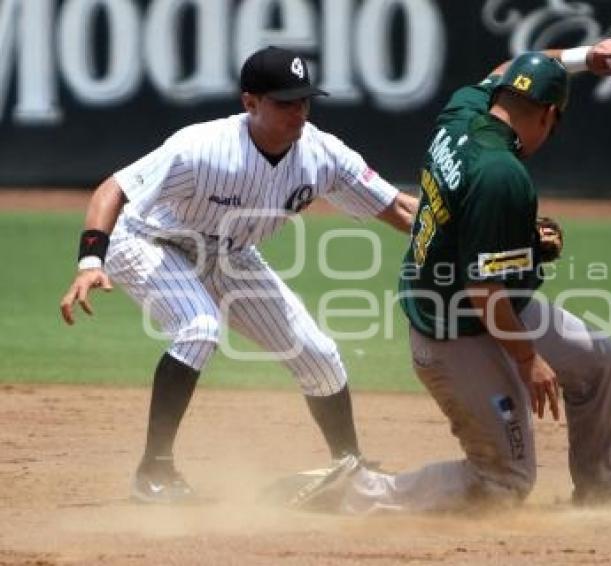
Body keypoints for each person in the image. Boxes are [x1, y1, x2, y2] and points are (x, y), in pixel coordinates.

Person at [288, 39, 611, 513]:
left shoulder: (464, 109)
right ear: (548, 116)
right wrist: (527, 358)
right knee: (504, 482)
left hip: (469, 302)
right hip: (454, 331)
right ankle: (355, 493)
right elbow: (485, 292)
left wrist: (584, 58)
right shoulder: (502, 175)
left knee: (599, 360)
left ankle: (602, 483)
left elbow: (507, 67)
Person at [58, 46, 418, 504]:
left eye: (304, 100)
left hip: (229, 253)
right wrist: (91, 261)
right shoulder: (200, 148)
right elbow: (112, 190)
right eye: (284, 102)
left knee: (318, 354)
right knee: (199, 328)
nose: (298, 112)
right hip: (149, 240)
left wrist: (473, 232)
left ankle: (351, 469)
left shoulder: (322, 154)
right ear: (250, 102)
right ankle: (154, 472)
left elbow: (399, 207)